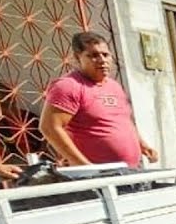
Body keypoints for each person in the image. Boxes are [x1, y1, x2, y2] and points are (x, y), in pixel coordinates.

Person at [41, 32, 158, 168]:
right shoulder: (69, 86)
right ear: (77, 58)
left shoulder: (114, 86)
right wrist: (85, 166)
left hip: (130, 172)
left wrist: (142, 145)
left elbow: (124, 121)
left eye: (106, 55)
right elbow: (50, 128)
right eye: (93, 55)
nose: (102, 60)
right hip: (98, 178)